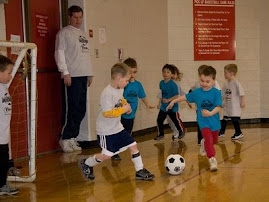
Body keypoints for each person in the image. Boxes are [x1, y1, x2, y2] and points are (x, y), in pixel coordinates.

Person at [78, 63, 154, 181]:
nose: (127, 83)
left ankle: (140, 171)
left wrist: (125, 105)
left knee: (133, 145)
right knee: (107, 155)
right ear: (118, 78)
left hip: (117, 128)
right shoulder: (106, 93)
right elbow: (107, 113)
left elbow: (121, 99)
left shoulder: (120, 88)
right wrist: (123, 109)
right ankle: (87, 163)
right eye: (126, 80)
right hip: (106, 131)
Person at [167, 65, 222, 172]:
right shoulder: (197, 92)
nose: (204, 84)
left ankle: (203, 143)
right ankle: (212, 159)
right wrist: (173, 101)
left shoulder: (216, 92)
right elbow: (185, 97)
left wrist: (210, 113)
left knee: (214, 140)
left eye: (207, 81)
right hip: (203, 121)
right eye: (202, 81)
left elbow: (218, 107)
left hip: (214, 121)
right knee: (209, 140)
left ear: (213, 81)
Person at [55, 5, 94, 153]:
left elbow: (86, 56)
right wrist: (65, 72)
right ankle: (64, 138)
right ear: (70, 17)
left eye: (80, 17)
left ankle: (73, 137)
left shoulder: (83, 34)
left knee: (80, 109)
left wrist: (89, 73)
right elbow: (59, 53)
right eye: (75, 17)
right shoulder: (63, 33)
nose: (78, 20)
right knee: (70, 109)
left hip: (83, 76)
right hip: (71, 76)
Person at [112, 58, 155, 161]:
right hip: (121, 115)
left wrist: (147, 104)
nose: (132, 75)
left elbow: (142, 96)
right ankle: (114, 152)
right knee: (119, 133)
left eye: (135, 72)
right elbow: (117, 98)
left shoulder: (138, 85)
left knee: (127, 133)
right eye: (130, 73)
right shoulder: (123, 85)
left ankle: (120, 148)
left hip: (131, 115)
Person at [0, 55, 19, 195]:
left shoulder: (3, 87)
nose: (11, 76)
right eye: (8, 73)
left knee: (4, 162)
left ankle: (2, 184)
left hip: (4, 136)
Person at [189, 65, 221, 145]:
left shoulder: (215, 84)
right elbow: (190, 92)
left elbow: (219, 94)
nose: (204, 83)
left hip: (211, 110)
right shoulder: (197, 83)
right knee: (201, 124)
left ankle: (209, 140)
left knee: (212, 132)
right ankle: (201, 140)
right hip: (200, 108)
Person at [154, 64, 185, 141]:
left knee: (175, 120)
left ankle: (181, 131)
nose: (165, 73)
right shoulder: (161, 83)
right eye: (164, 72)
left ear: (171, 74)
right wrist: (159, 103)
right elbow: (161, 93)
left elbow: (177, 96)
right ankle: (161, 134)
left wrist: (168, 100)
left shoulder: (173, 84)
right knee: (159, 120)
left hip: (172, 106)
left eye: (168, 72)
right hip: (164, 107)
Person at [219, 64, 245, 140]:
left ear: (231, 73)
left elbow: (242, 93)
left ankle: (238, 132)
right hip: (227, 104)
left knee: (234, 119)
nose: (224, 74)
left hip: (235, 105)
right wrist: (221, 102)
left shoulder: (236, 83)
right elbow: (223, 94)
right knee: (225, 118)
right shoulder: (226, 83)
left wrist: (242, 102)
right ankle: (221, 132)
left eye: (225, 73)